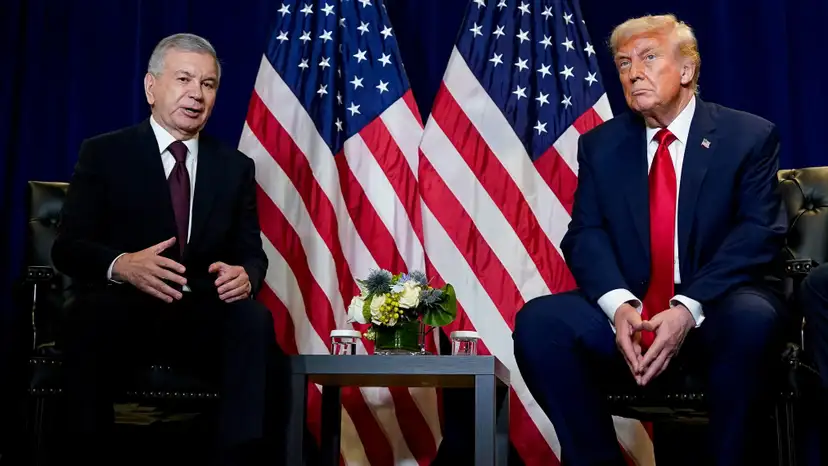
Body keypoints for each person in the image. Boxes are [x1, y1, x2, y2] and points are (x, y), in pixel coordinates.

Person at [513, 14, 788, 466]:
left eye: (649, 57)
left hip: (714, 308)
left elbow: (759, 233)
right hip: (636, 313)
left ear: (686, 70)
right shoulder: (601, 145)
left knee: (753, 318)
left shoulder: (748, 136)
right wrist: (620, 305)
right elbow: (585, 234)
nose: (633, 72)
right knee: (541, 323)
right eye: (623, 63)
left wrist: (686, 308)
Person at [52, 33, 275, 466]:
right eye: (184, 79)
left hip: (199, 316)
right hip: (124, 309)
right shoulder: (104, 153)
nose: (196, 93)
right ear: (152, 87)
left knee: (254, 321)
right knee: (85, 318)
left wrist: (247, 274)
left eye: (208, 84)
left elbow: (253, 251)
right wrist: (122, 264)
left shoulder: (234, 167)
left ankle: (239, 458)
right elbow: (68, 247)